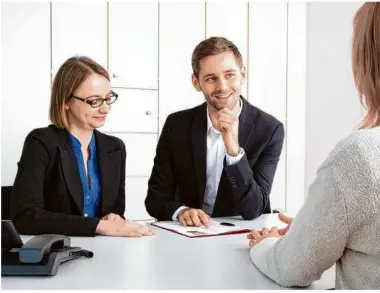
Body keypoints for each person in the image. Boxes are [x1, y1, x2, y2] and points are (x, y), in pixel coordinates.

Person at [247, 2, 380, 289]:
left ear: (369, 62)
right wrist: (311, 231)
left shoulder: (363, 156)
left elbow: (290, 268)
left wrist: (265, 245)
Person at [145, 37, 285, 226]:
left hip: (240, 234)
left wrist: (234, 152)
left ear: (243, 75)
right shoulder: (176, 125)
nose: (222, 87)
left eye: (230, 75)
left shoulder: (270, 130)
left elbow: (253, 208)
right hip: (189, 235)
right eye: (211, 78)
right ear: (196, 82)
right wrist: (181, 212)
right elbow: (155, 200)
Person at [10, 56, 154, 237]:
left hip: (104, 251)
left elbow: (115, 213)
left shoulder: (115, 148)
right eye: (94, 101)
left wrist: (114, 219)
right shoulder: (41, 142)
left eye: (108, 99)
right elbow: (25, 217)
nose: (105, 109)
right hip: (58, 251)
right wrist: (97, 225)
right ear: (66, 102)